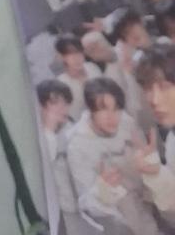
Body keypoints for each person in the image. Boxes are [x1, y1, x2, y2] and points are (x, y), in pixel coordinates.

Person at [66, 76, 160, 234]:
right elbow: (86, 203)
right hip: (112, 223)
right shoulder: (77, 144)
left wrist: (151, 163)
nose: (112, 117)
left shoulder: (127, 123)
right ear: (90, 110)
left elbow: (148, 173)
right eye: (103, 109)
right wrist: (103, 191)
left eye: (116, 108)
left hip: (143, 213)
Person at [36, 80, 96, 235]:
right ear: (40, 106)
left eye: (65, 103)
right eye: (55, 103)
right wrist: (49, 129)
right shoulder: (38, 137)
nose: (62, 108)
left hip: (88, 205)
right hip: (63, 211)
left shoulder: (72, 128)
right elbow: (43, 167)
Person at [132, 44, 175, 229]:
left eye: (164, 87)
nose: (154, 100)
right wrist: (156, 174)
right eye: (148, 88)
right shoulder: (172, 139)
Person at [106, 9, 154, 129]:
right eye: (126, 32)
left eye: (133, 26)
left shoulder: (155, 41)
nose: (132, 33)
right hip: (144, 112)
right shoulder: (119, 60)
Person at [55, 35, 101, 121]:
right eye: (70, 54)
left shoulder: (92, 68)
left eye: (78, 52)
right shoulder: (60, 84)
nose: (76, 58)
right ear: (62, 57)